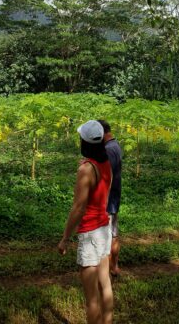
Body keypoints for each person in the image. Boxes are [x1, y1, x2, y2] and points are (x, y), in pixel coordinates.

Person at [57, 120, 114, 324]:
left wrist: (65, 238)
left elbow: (78, 208)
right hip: (104, 228)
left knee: (91, 298)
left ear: (85, 142)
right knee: (105, 285)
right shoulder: (105, 161)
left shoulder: (86, 170)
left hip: (90, 233)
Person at [99, 119, 123, 276]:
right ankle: (114, 267)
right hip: (114, 198)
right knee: (114, 234)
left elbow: (108, 177)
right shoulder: (115, 145)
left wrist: (103, 200)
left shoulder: (108, 150)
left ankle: (108, 271)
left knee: (107, 238)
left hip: (108, 201)